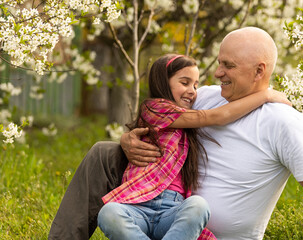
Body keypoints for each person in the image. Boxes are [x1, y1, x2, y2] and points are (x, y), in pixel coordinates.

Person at [48, 27, 303, 240]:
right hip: (151, 210)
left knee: (197, 206)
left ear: (259, 70)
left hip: (197, 223)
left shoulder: (284, 121)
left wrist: (266, 96)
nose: (217, 72)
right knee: (103, 152)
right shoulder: (206, 98)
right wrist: (127, 140)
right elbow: (161, 119)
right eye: (218, 63)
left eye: (228, 65)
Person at [97, 54, 290, 240]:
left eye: (196, 85)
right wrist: (264, 95)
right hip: (137, 205)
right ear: (163, 82)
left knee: (198, 206)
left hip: (172, 210)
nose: (192, 91)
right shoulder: (154, 108)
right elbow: (213, 117)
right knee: (109, 213)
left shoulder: (186, 120)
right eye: (184, 83)